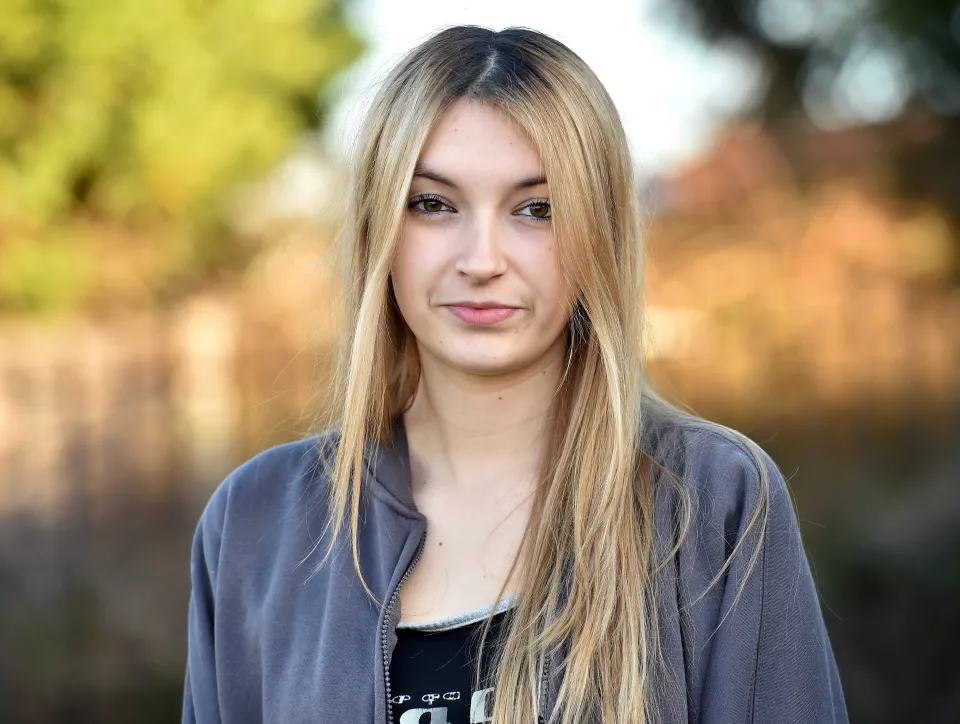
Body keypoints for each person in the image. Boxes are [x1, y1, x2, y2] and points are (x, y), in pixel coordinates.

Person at [182, 25, 848, 724]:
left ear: (600, 235)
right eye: (434, 204)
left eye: (537, 209)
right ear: (381, 230)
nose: (482, 260)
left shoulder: (712, 503)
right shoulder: (255, 521)